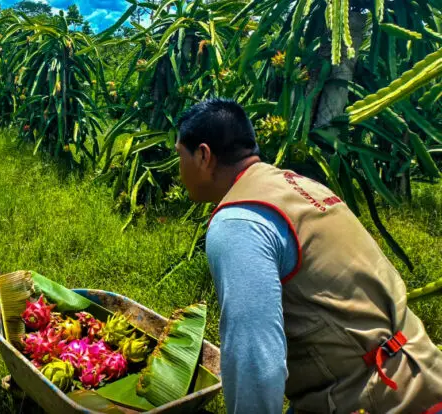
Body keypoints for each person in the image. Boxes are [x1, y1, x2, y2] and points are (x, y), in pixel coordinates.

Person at [175, 98, 442, 413]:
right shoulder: (299, 186)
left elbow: (256, 362)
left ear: (204, 155)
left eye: (180, 156)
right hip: (423, 371)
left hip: (372, 398)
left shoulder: (238, 222)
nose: (179, 170)